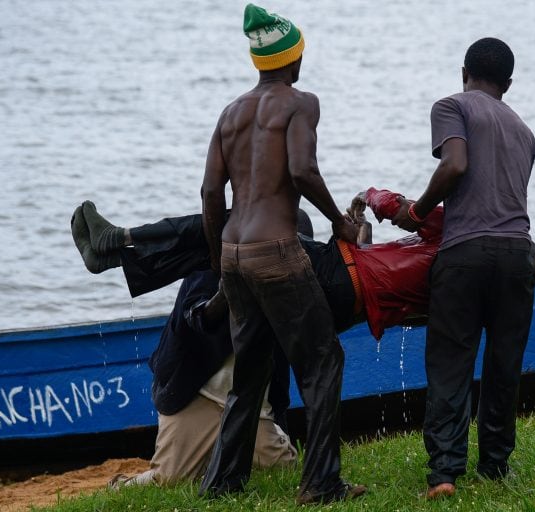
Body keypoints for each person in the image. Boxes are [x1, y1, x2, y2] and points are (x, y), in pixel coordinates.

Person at [196, 4, 366, 504]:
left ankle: (222, 483)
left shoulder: (229, 113)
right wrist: (340, 221)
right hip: (277, 253)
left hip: (234, 253)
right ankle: (321, 483)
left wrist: (217, 260)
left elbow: (210, 194)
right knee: (323, 359)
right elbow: (301, 170)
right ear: (294, 59)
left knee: (249, 370)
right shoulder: (300, 102)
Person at [389, 38, 535, 499]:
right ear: (508, 84)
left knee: (451, 363)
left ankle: (444, 474)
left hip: (465, 256)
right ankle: (496, 464)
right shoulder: (524, 131)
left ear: (464, 72)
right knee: (504, 365)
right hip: (518, 253)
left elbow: (456, 166)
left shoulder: (451, 106)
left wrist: (415, 212)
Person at [74, 206, 298, 488]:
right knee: (169, 479)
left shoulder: (291, 285)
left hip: (249, 403)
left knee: (283, 470)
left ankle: (119, 249)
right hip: (195, 390)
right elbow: (196, 318)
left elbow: (280, 375)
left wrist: (279, 430)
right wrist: (227, 295)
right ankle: (118, 247)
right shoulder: (216, 263)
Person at [71, 192, 442, 340]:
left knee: (243, 223)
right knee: (249, 230)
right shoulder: (456, 256)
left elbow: (405, 210)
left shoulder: (453, 231)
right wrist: (359, 229)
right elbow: (380, 281)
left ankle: (122, 241)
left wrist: (371, 196)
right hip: (343, 287)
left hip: (337, 279)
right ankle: (116, 254)